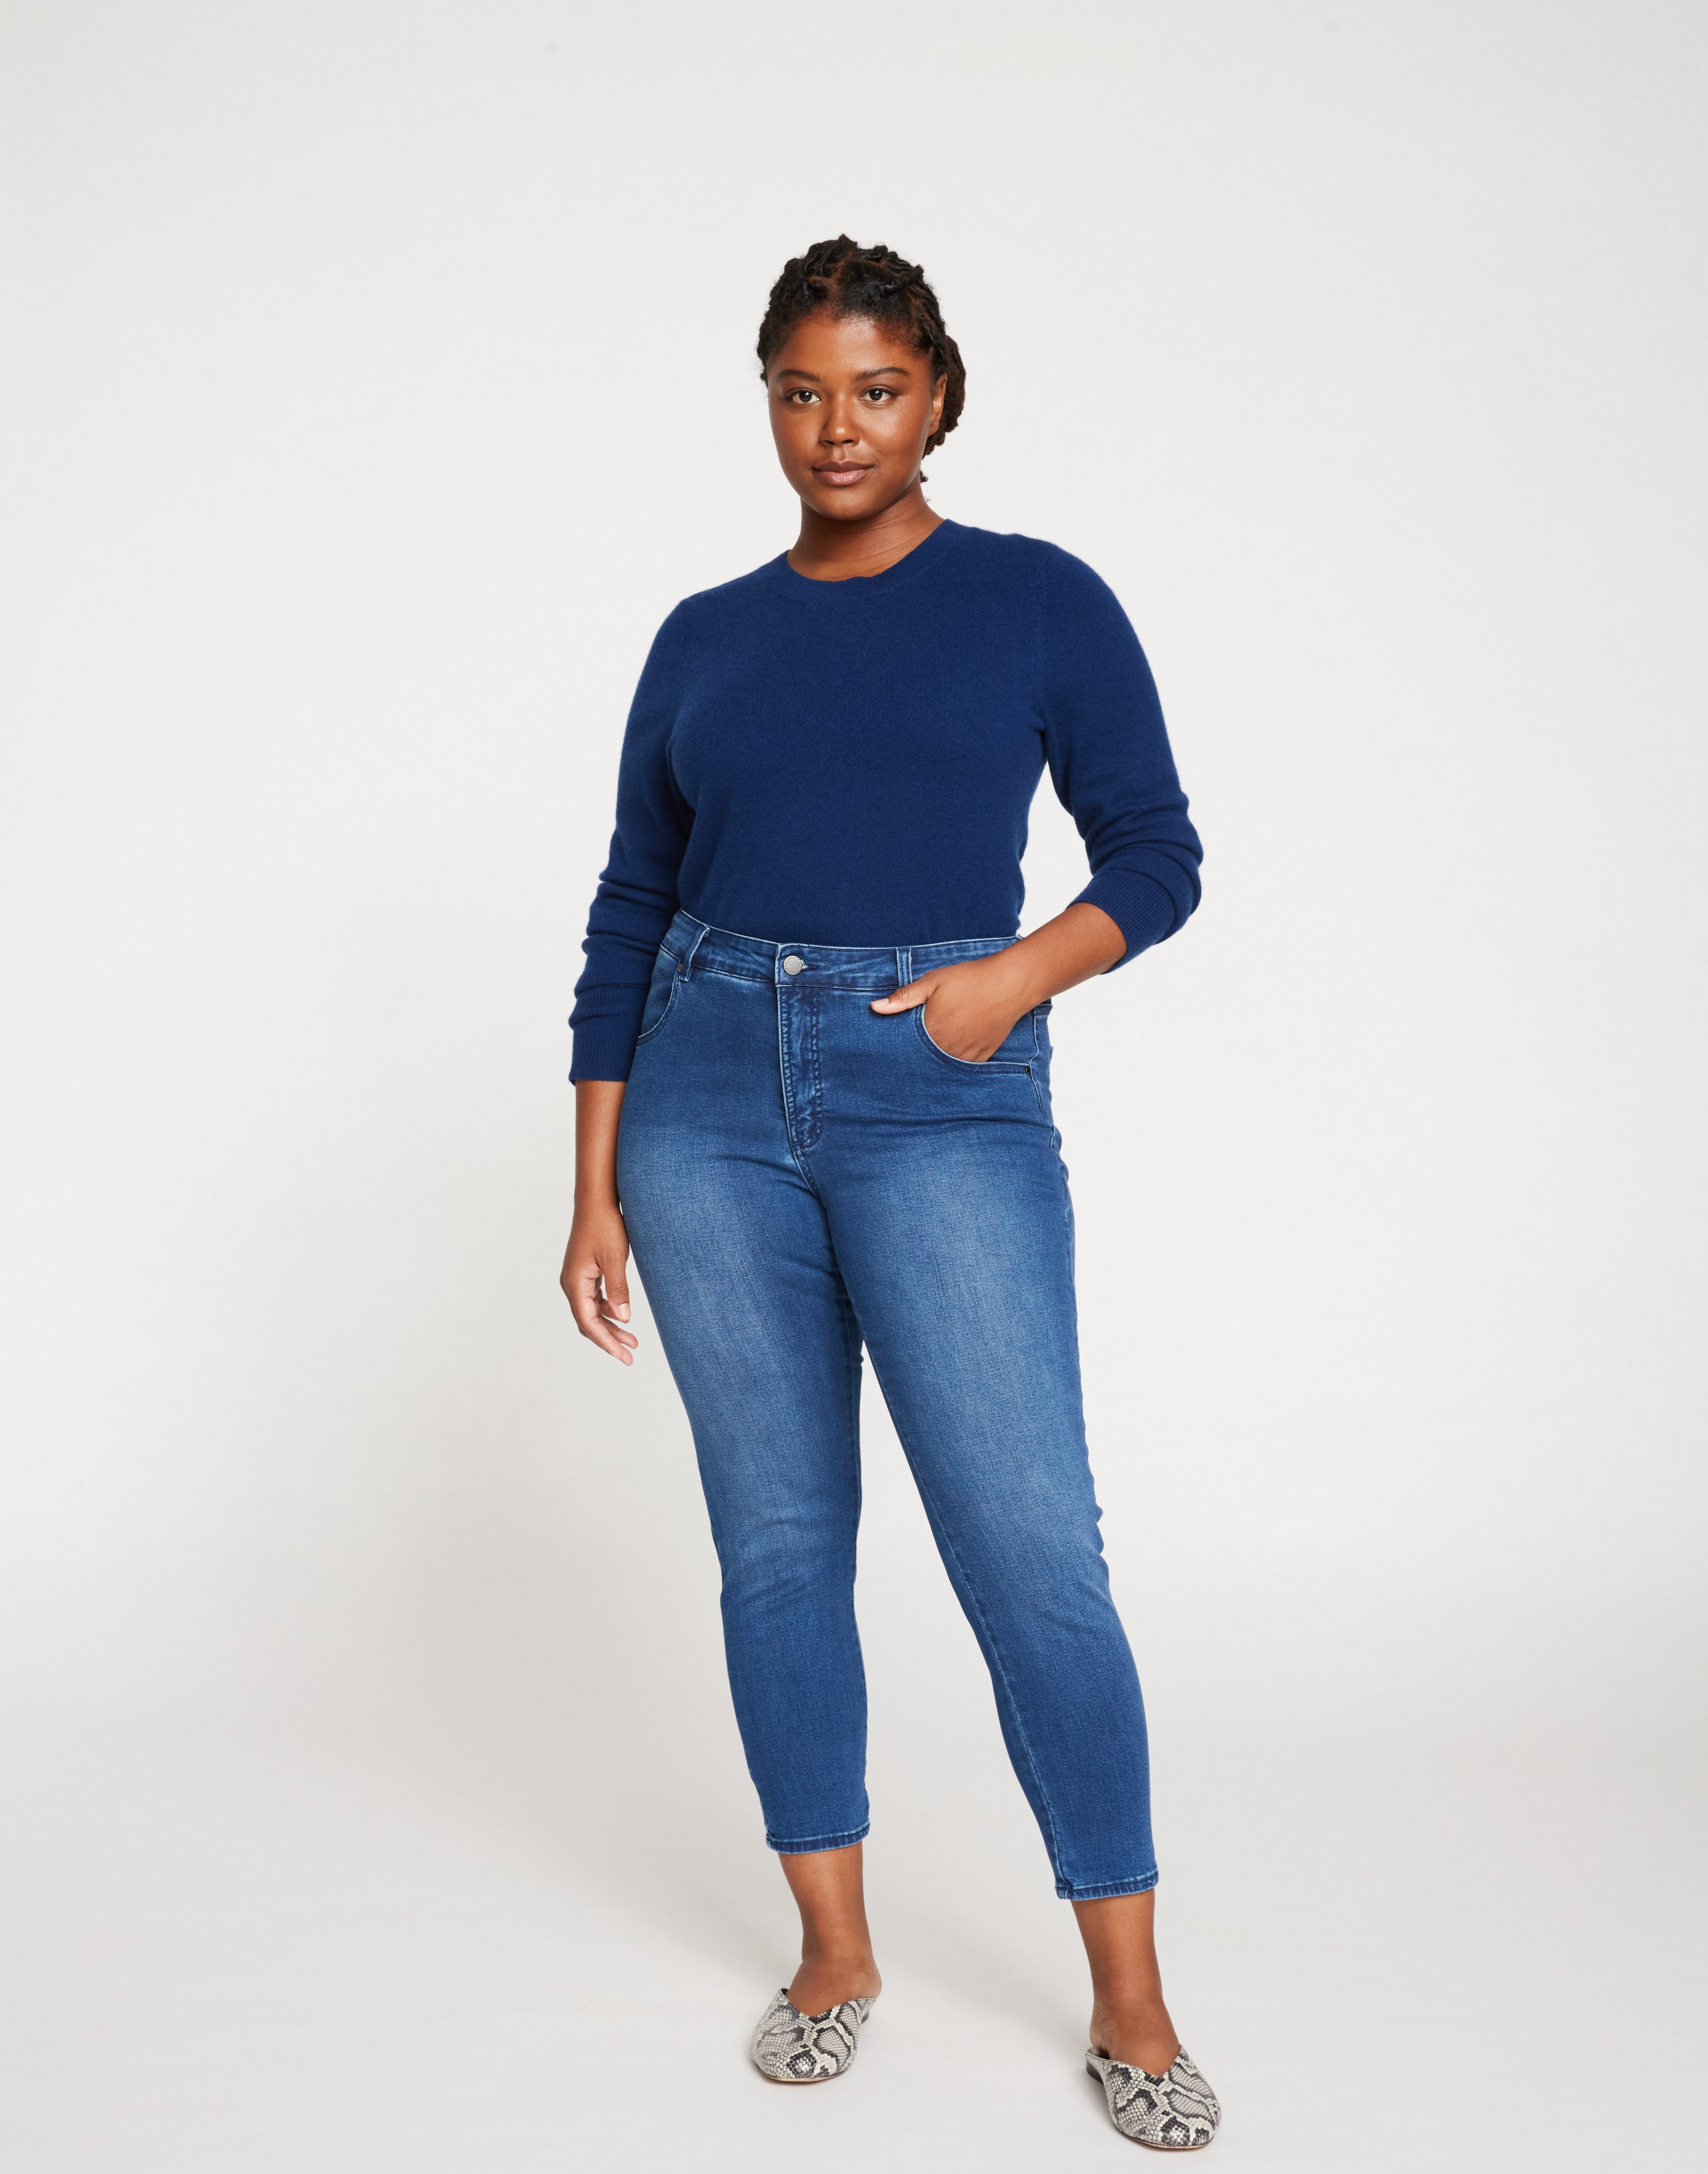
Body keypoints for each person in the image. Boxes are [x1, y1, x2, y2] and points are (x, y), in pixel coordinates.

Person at [561, 237, 1219, 2150]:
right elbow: (626, 907)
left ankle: (1130, 1997)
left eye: (872, 389)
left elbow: (1157, 854)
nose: (835, 427)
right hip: (700, 1098)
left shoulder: (1034, 599)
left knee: (1030, 1553)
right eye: (800, 390)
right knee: (777, 1547)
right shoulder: (703, 634)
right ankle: (833, 1957)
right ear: (765, 403)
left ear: (935, 398)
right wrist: (593, 1184)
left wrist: (1010, 980)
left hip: (935, 1085)